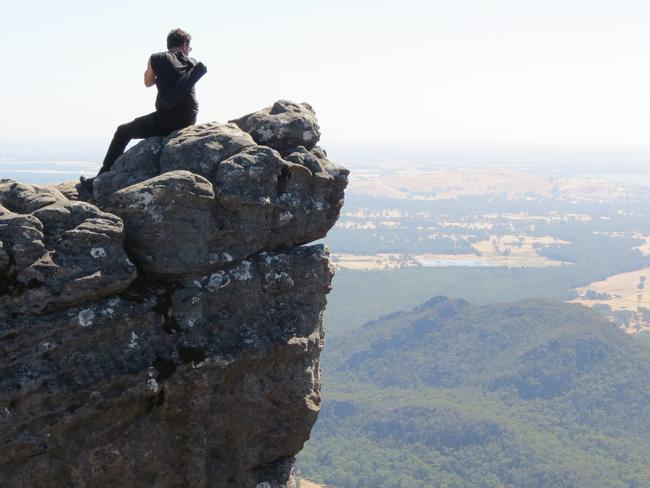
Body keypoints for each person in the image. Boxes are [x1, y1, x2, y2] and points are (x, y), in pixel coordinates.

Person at [80, 28, 207, 194]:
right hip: (189, 118)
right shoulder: (193, 63)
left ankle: (100, 178)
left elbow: (148, 82)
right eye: (189, 47)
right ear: (185, 44)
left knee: (122, 131)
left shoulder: (157, 58)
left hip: (167, 119)